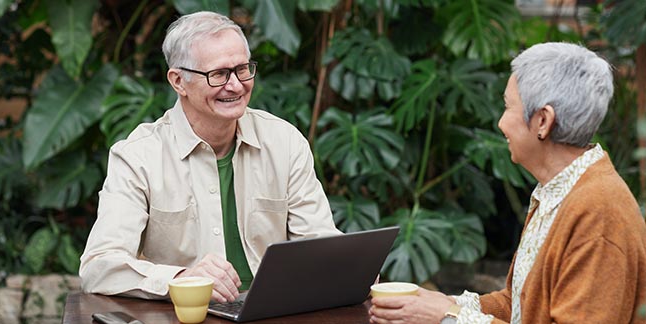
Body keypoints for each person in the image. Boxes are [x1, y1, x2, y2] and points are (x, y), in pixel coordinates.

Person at [369, 42, 646, 324]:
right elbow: (519, 306)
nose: (501, 123)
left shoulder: (599, 213)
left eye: (508, 106)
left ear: (542, 121)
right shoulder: (560, 190)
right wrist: (449, 303)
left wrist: (449, 318)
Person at [79, 11, 341, 302]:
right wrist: (181, 280)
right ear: (178, 81)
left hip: (274, 310)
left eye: (242, 69)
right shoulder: (138, 156)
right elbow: (98, 266)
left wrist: (349, 265)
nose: (236, 85)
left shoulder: (285, 142)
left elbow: (319, 244)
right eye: (219, 74)